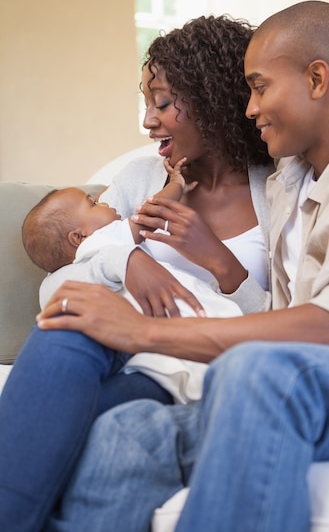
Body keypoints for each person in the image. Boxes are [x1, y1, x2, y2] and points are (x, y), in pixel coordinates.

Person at [36, 0, 329, 532]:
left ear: (316, 79)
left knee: (258, 374)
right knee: (127, 434)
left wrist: (143, 332)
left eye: (259, 88)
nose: (248, 107)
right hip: (320, 383)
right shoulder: (295, 176)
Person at [0, 14, 275, 532]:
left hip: (184, 365)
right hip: (108, 344)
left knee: (75, 430)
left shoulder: (282, 192)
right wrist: (126, 261)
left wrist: (221, 263)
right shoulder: (142, 180)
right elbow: (58, 286)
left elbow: (295, 321)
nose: (148, 121)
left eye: (163, 102)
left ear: (213, 97)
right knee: (63, 328)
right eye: (147, 102)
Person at [21, 159, 241, 404]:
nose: (104, 201)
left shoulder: (89, 256)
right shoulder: (100, 240)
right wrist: (177, 184)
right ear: (79, 237)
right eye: (93, 203)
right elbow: (152, 212)